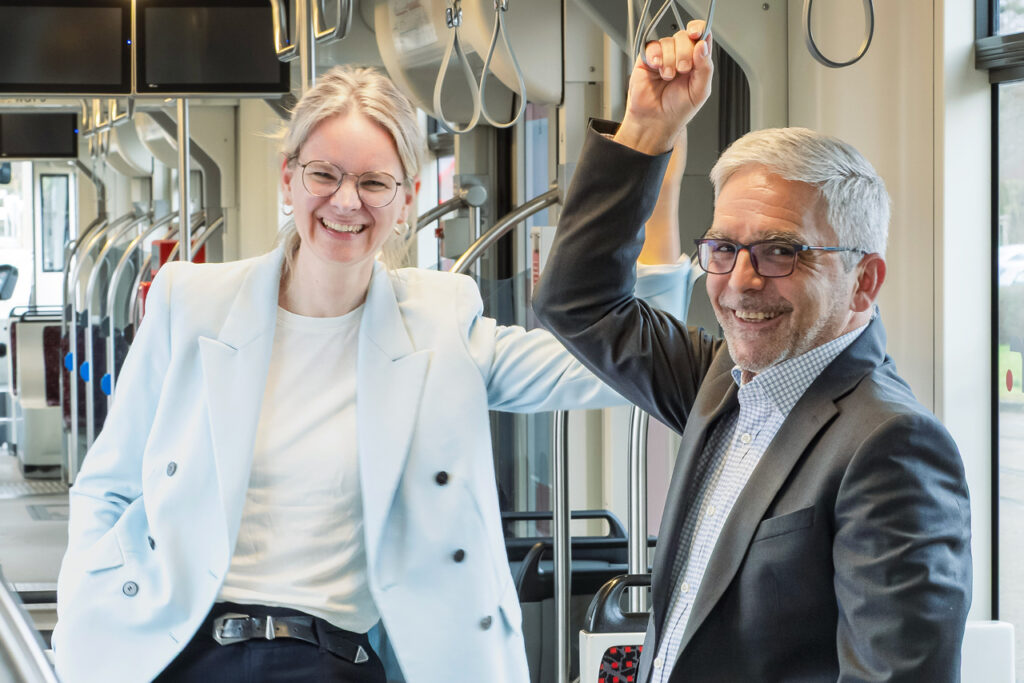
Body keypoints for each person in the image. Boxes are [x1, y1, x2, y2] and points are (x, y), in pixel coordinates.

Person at [52, 66, 694, 683]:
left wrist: (653, 176)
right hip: (178, 649)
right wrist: (86, 609)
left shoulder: (441, 322)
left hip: (330, 659)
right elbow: (107, 486)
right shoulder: (189, 303)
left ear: (408, 197)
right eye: (324, 175)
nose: (345, 201)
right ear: (288, 179)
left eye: (373, 182)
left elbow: (612, 366)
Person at [533, 22, 972, 683]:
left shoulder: (890, 446)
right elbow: (576, 303)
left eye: (780, 251)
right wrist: (646, 134)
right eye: (724, 248)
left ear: (865, 279)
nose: (739, 282)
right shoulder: (723, 384)